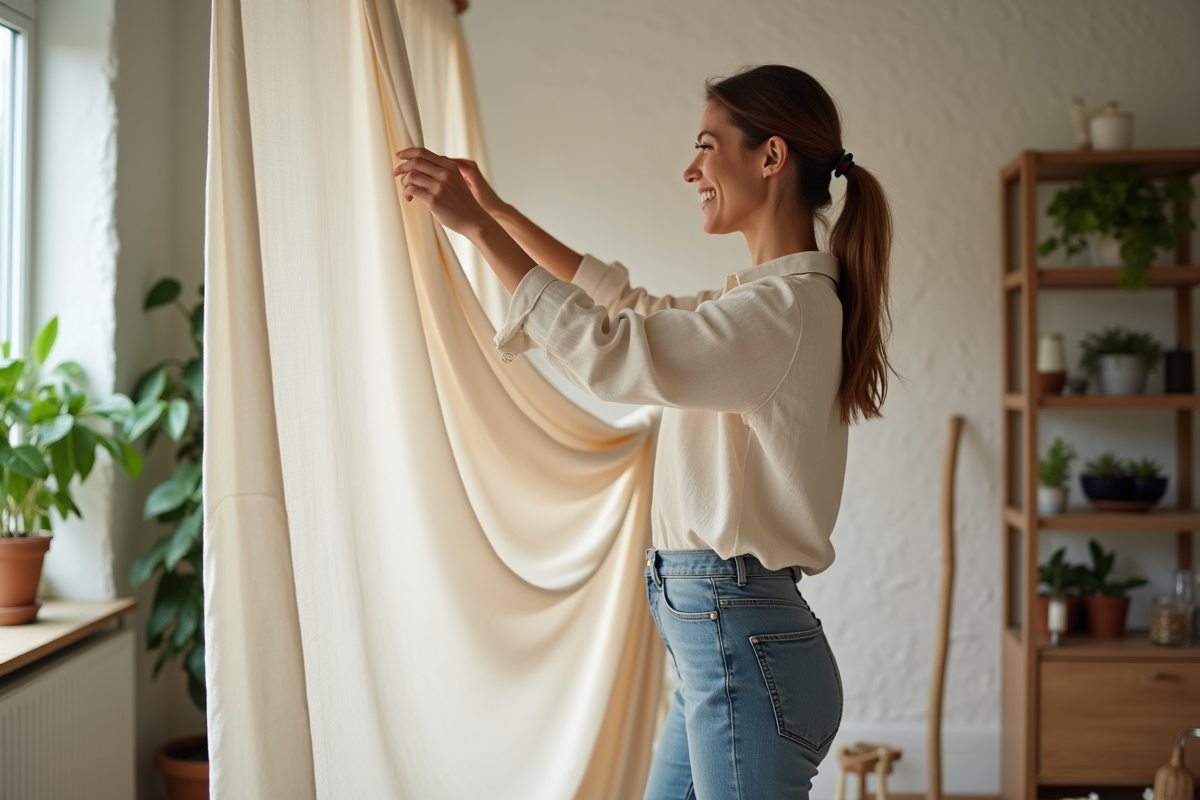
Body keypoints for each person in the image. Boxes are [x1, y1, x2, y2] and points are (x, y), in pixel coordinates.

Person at [394, 64, 892, 800]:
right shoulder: (763, 304)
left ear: (771, 157)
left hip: (741, 645)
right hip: (731, 647)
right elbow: (629, 306)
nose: (690, 169)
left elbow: (613, 350)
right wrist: (496, 213)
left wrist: (472, 231)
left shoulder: (782, 314)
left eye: (706, 145)